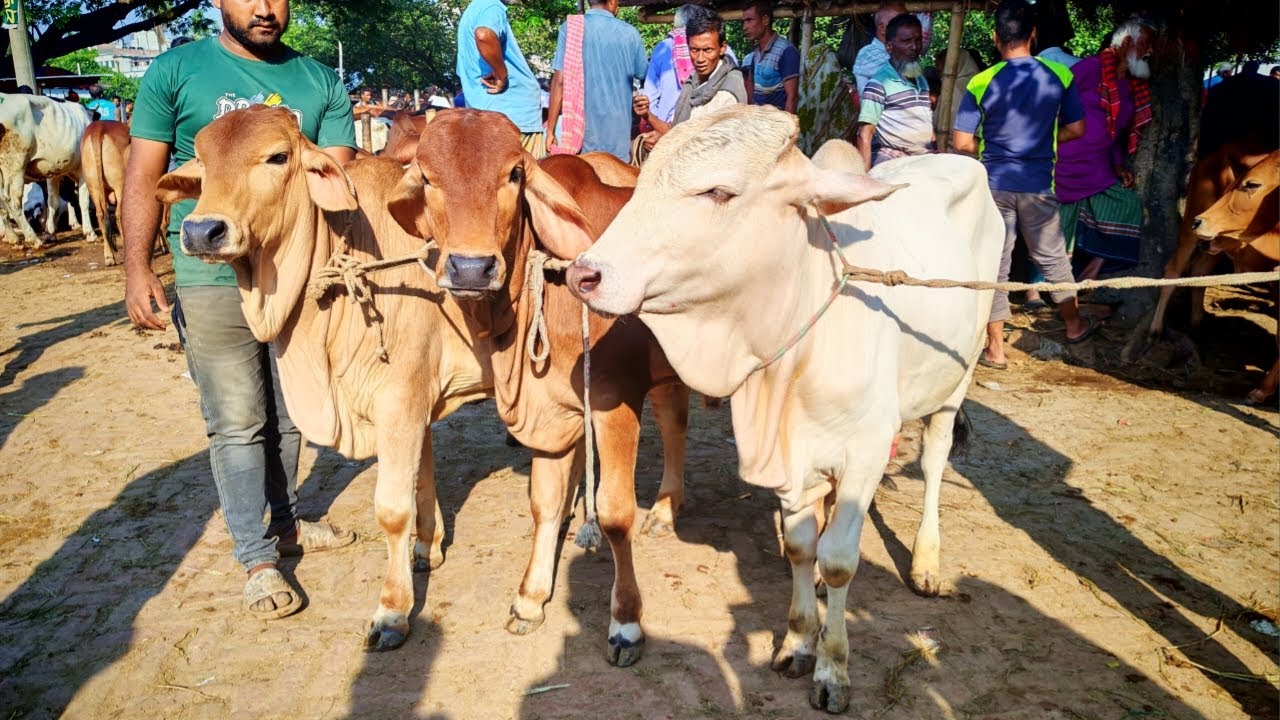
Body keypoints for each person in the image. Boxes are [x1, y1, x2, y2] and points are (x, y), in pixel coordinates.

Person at [122, 0, 357, 621]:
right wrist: (138, 265)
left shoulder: (320, 82)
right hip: (209, 272)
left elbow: (339, 179)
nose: (264, 8)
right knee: (237, 418)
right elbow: (146, 174)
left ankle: (285, 525)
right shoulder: (174, 72)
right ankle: (256, 559)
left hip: (295, 277)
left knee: (288, 412)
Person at [952, 0, 1094, 370]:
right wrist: (1045, 140)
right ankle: (1075, 325)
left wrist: (992, 147)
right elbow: (1078, 128)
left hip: (994, 185)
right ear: (1033, 34)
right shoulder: (1060, 76)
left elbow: (962, 143)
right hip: (1038, 185)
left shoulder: (981, 81)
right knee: (1052, 257)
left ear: (996, 37)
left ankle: (995, 349)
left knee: (994, 264)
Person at [1035, 18, 1155, 299]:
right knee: (1053, 225)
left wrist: (1116, 163)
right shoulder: (1090, 68)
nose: (1150, 52)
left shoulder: (1131, 86)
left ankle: (1090, 272)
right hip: (1065, 162)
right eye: (1146, 45)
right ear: (1126, 43)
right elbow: (1054, 102)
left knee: (1127, 204)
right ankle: (1038, 292)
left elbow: (1116, 132)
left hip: (1099, 166)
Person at [546, 0, 647, 161]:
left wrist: (550, 130)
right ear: (612, 2)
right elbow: (643, 75)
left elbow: (559, 81)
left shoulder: (571, 28)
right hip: (618, 139)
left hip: (582, 137)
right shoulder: (630, 33)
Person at [632, 10, 745, 153]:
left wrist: (667, 143)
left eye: (708, 50)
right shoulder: (693, 82)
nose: (700, 59)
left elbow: (714, 150)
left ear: (722, 48)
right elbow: (676, 130)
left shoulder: (727, 93)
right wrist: (647, 114)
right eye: (694, 50)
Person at [456, 0, 544, 155]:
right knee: (524, 177)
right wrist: (502, 74)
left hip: (489, 116)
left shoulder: (474, 9)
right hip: (512, 116)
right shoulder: (492, 6)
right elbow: (484, 35)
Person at [855, 13, 933, 169]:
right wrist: (866, 178)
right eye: (906, 41)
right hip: (894, 162)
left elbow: (926, 120)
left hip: (923, 160)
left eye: (917, 41)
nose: (914, 47)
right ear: (889, 47)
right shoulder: (878, 84)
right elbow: (864, 135)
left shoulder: (920, 80)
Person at [640, 4, 703, 126]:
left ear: (676, 24)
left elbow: (650, 94)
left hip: (667, 126)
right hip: (704, 125)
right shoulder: (715, 47)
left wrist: (655, 124)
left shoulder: (663, 47)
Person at [741, 0, 799, 112]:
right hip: (760, 124)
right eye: (743, 22)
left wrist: (786, 128)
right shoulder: (755, 54)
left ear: (765, 20)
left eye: (749, 20)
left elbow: (792, 98)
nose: (745, 27)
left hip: (777, 124)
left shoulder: (786, 51)